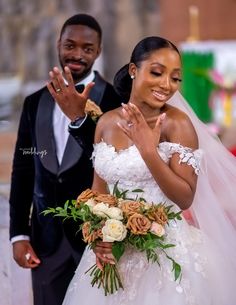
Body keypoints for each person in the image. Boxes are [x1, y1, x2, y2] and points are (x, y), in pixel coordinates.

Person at [60, 36, 236, 305]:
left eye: (175, 78)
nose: (167, 85)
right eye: (157, 72)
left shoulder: (177, 125)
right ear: (133, 70)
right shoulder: (106, 123)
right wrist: (97, 235)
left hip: (167, 255)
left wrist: (148, 151)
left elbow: (185, 197)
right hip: (115, 254)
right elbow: (98, 191)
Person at [9, 13, 122, 305]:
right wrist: (19, 234)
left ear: (98, 51)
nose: (77, 55)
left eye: (87, 48)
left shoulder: (114, 101)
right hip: (45, 243)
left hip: (96, 240)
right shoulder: (35, 102)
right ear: (59, 44)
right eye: (70, 45)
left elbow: (117, 166)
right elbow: (23, 168)